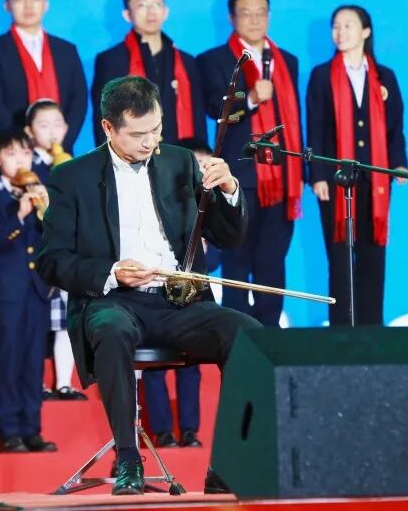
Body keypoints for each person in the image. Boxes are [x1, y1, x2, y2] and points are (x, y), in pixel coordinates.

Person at [37, 76, 262, 495]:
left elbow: (228, 236)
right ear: (108, 128)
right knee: (111, 329)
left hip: (178, 302)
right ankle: (128, 460)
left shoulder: (180, 162)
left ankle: (228, 464)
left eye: (156, 130)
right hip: (114, 301)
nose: (150, 142)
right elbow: (52, 261)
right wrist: (112, 271)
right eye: (138, 134)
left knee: (247, 335)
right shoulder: (72, 178)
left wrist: (230, 189)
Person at [197, 0, 303, 328]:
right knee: (237, 260)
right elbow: (215, 110)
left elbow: (294, 120)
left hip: (282, 178)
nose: (255, 20)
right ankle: (238, 335)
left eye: (261, 13)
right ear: (232, 18)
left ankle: (271, 334)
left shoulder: (287, 61)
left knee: (273, 261)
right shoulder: (213, 60)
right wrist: (252, 98)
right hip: (238, 177)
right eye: (246, 13)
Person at [306, 5, 408, 326]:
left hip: (375, 180)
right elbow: (316, 128)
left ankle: (371, 329)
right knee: (340, 260)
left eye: (348, 25)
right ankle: (341, 330)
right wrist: (318, 175)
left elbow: (395, 127)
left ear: (366, 31)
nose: (340, 32)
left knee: (373, 256)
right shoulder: (322, 75)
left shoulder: (384, 76)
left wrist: (399, 163)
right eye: (336, 26)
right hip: (336, 181)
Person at [0, 128, 59, 451]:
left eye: (25, 153)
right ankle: (9, 430)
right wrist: (19, 214)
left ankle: (32, 428)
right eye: (11, 154)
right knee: (10, 358)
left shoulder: (42, 192)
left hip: (38, 289)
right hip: (7, 292)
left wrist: (46, 210)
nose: (20, 160)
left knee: (34, 360)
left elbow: (56, 237)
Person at [140, 138, 216, 448]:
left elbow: (219, 249)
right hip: (155, 291)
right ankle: (162, 430)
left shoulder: (208, 204)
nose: (199, 170)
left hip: (192, 293)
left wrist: (204, 249)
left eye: (204, 164)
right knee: (155, 367)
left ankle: (189, 429)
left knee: (191, 364)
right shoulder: (156, 195)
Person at [0, 0, 87, 151]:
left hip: (62, 149)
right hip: (14, 151)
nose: (28, 5)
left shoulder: (66, 50)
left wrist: (64, 142)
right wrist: (23, 144)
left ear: (45, 4)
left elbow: (79, 100)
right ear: (7, 5)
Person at [22, 99, 85, 401]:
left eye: (57, 124)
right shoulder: (24, 165)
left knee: (65, 321)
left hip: (68, 255)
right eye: (44, 125)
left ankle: (64, 382)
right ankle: (34, 383)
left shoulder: (74, 164)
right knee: (36, 323)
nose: (52, 131)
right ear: (29, 131)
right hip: (35, 254)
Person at [92, 0, 205, 147]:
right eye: (142, 5)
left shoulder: (186, 61)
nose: (151, 11)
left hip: (179, 152)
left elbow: (198, 117)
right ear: (127, 15)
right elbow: (103, 117)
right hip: (132, 153)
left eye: (157, 4)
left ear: (165, 12)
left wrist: (199, 155)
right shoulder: (111, 60)